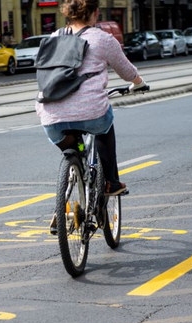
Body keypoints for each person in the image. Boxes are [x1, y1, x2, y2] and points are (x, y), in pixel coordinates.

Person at [36, 0, 145, 232]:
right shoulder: (102, 38)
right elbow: (127, 71)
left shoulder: (54, 36)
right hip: (90, 113)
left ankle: (64, 200)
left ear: (68, 13)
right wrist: (140, 83)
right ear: (95, 13)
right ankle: (111, 182)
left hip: (50, 115)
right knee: (105, 121)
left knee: (73, 150)